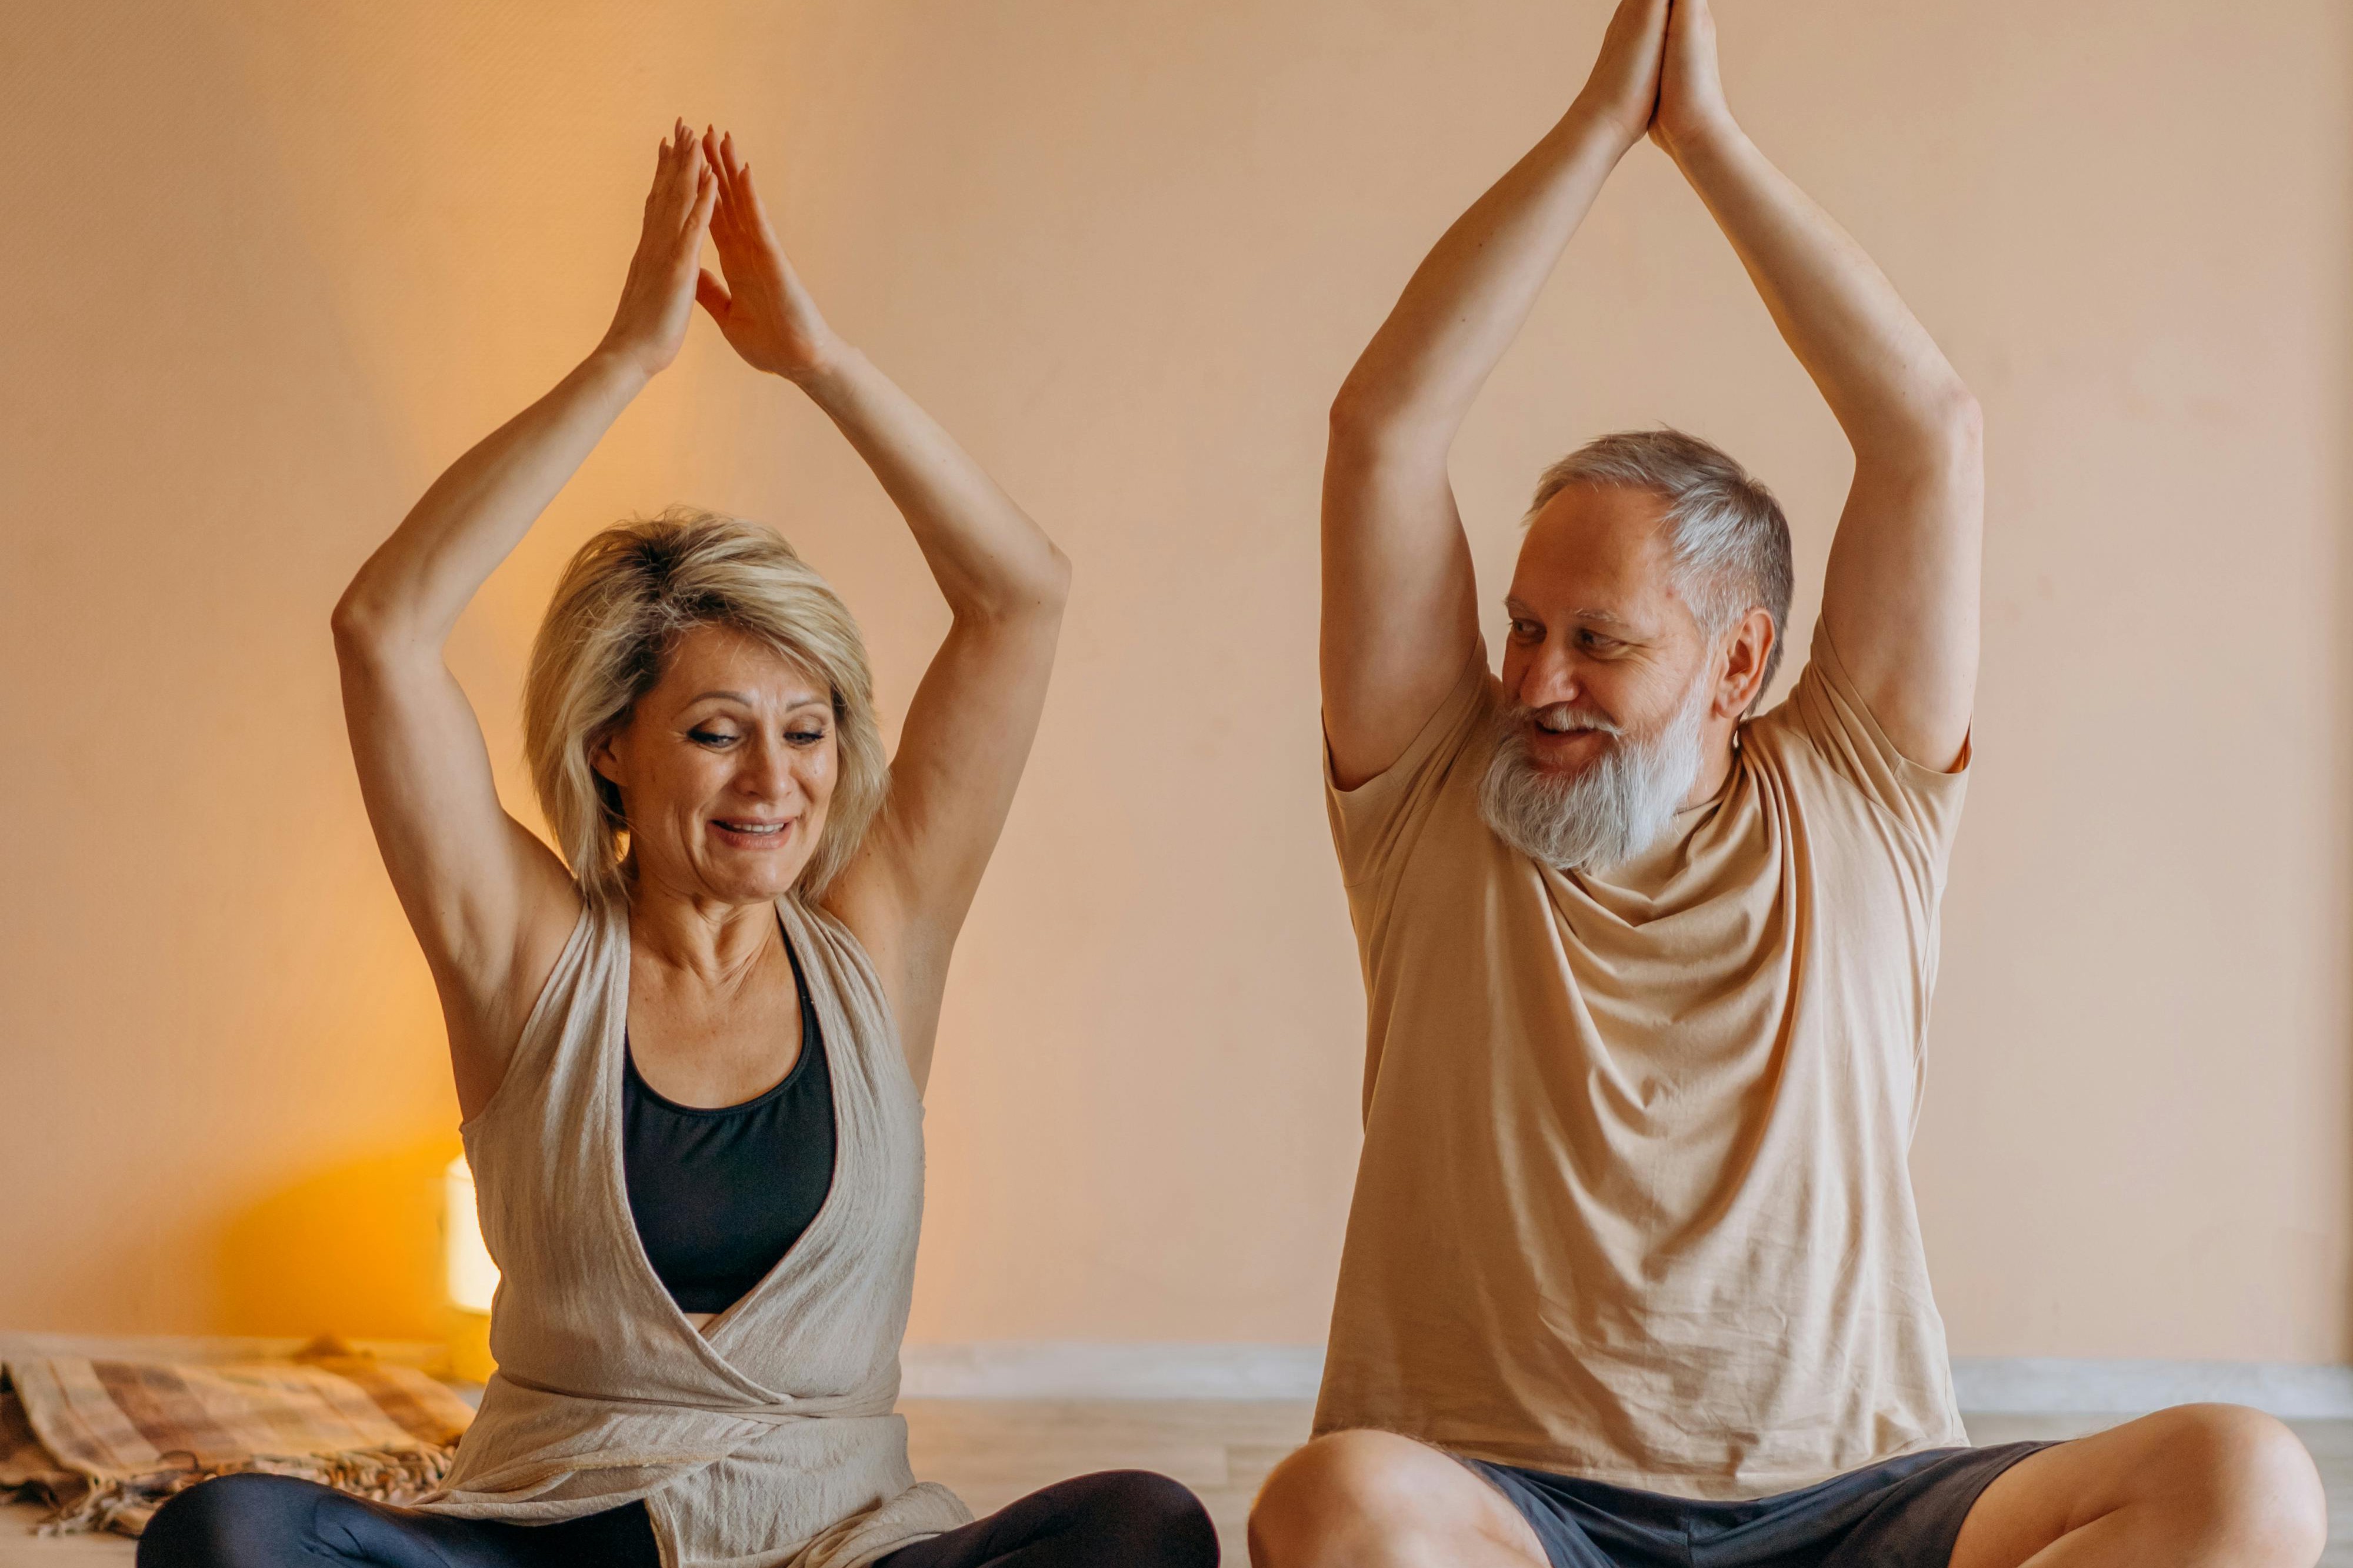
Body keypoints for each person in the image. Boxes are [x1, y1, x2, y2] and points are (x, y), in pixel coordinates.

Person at [1248, 4, 2328, 1567]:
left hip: (1856, 1499)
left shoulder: (1858, 795)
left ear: (1739, 660)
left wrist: (1709, 142)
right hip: (1517, 1508)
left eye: (1600, 642)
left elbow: (1929, 435)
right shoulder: (1435, 791)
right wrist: (1596, 129)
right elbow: (1383, 430)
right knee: (1332, 1506)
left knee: (2248, 1485)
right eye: (1525, 628)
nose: (1538, 680)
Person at [139, 122, 1217, 1568]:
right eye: (716, 731)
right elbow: (383, 629)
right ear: (611, 745)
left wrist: (816, 361)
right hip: (549, 1535)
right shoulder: (528, 955)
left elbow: (1020, 595)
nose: (774, 779)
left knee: (1144, 1528)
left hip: (836, 1543)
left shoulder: (878, 936)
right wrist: (623, 362)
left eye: (806, 729)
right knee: (229, 1533)